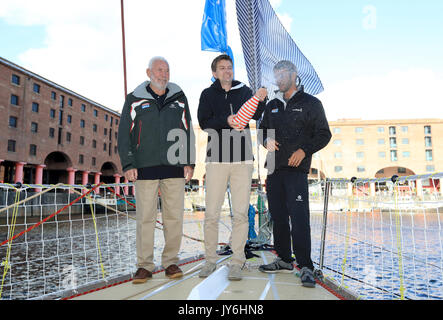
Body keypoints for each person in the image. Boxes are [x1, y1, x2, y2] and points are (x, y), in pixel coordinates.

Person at [117, 56, 195, 284]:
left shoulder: (179, 98)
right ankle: (144, 266)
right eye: (160, 70)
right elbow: (124, 133)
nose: (164, 74)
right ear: (148, 72)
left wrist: (189, 161)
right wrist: (128, 163)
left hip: (174, 166)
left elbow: (187, 129)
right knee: (145, 219)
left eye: (167, 70)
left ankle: (171, 262)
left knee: (174, 217)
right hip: (144, 166)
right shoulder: (134, 99)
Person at [258, 60, 331, 288]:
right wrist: (266, 140)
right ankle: (284, 259)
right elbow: (261, 132)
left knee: (299, 219)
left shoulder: (311, 103)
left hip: (296, 172)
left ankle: (305, 266)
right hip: (273, 169)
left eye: (282, 73)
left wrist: (304, 150)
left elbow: (324, 134)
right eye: (276, 73)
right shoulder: (271, 105)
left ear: (294, 74)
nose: (278, 77)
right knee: (278, 216)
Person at [197, 54, 267, 281]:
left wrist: (261, 98)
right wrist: (225, 121)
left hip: (242, 160)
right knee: (211, 214)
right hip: (216, 159)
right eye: (222, 68)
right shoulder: (207, 94)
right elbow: (204, 121)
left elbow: (257, 113)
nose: (227, 71)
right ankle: (209, 260)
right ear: (214, 72)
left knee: (240, 213)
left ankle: (237, 261)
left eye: (230, 67)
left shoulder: (244, 90)